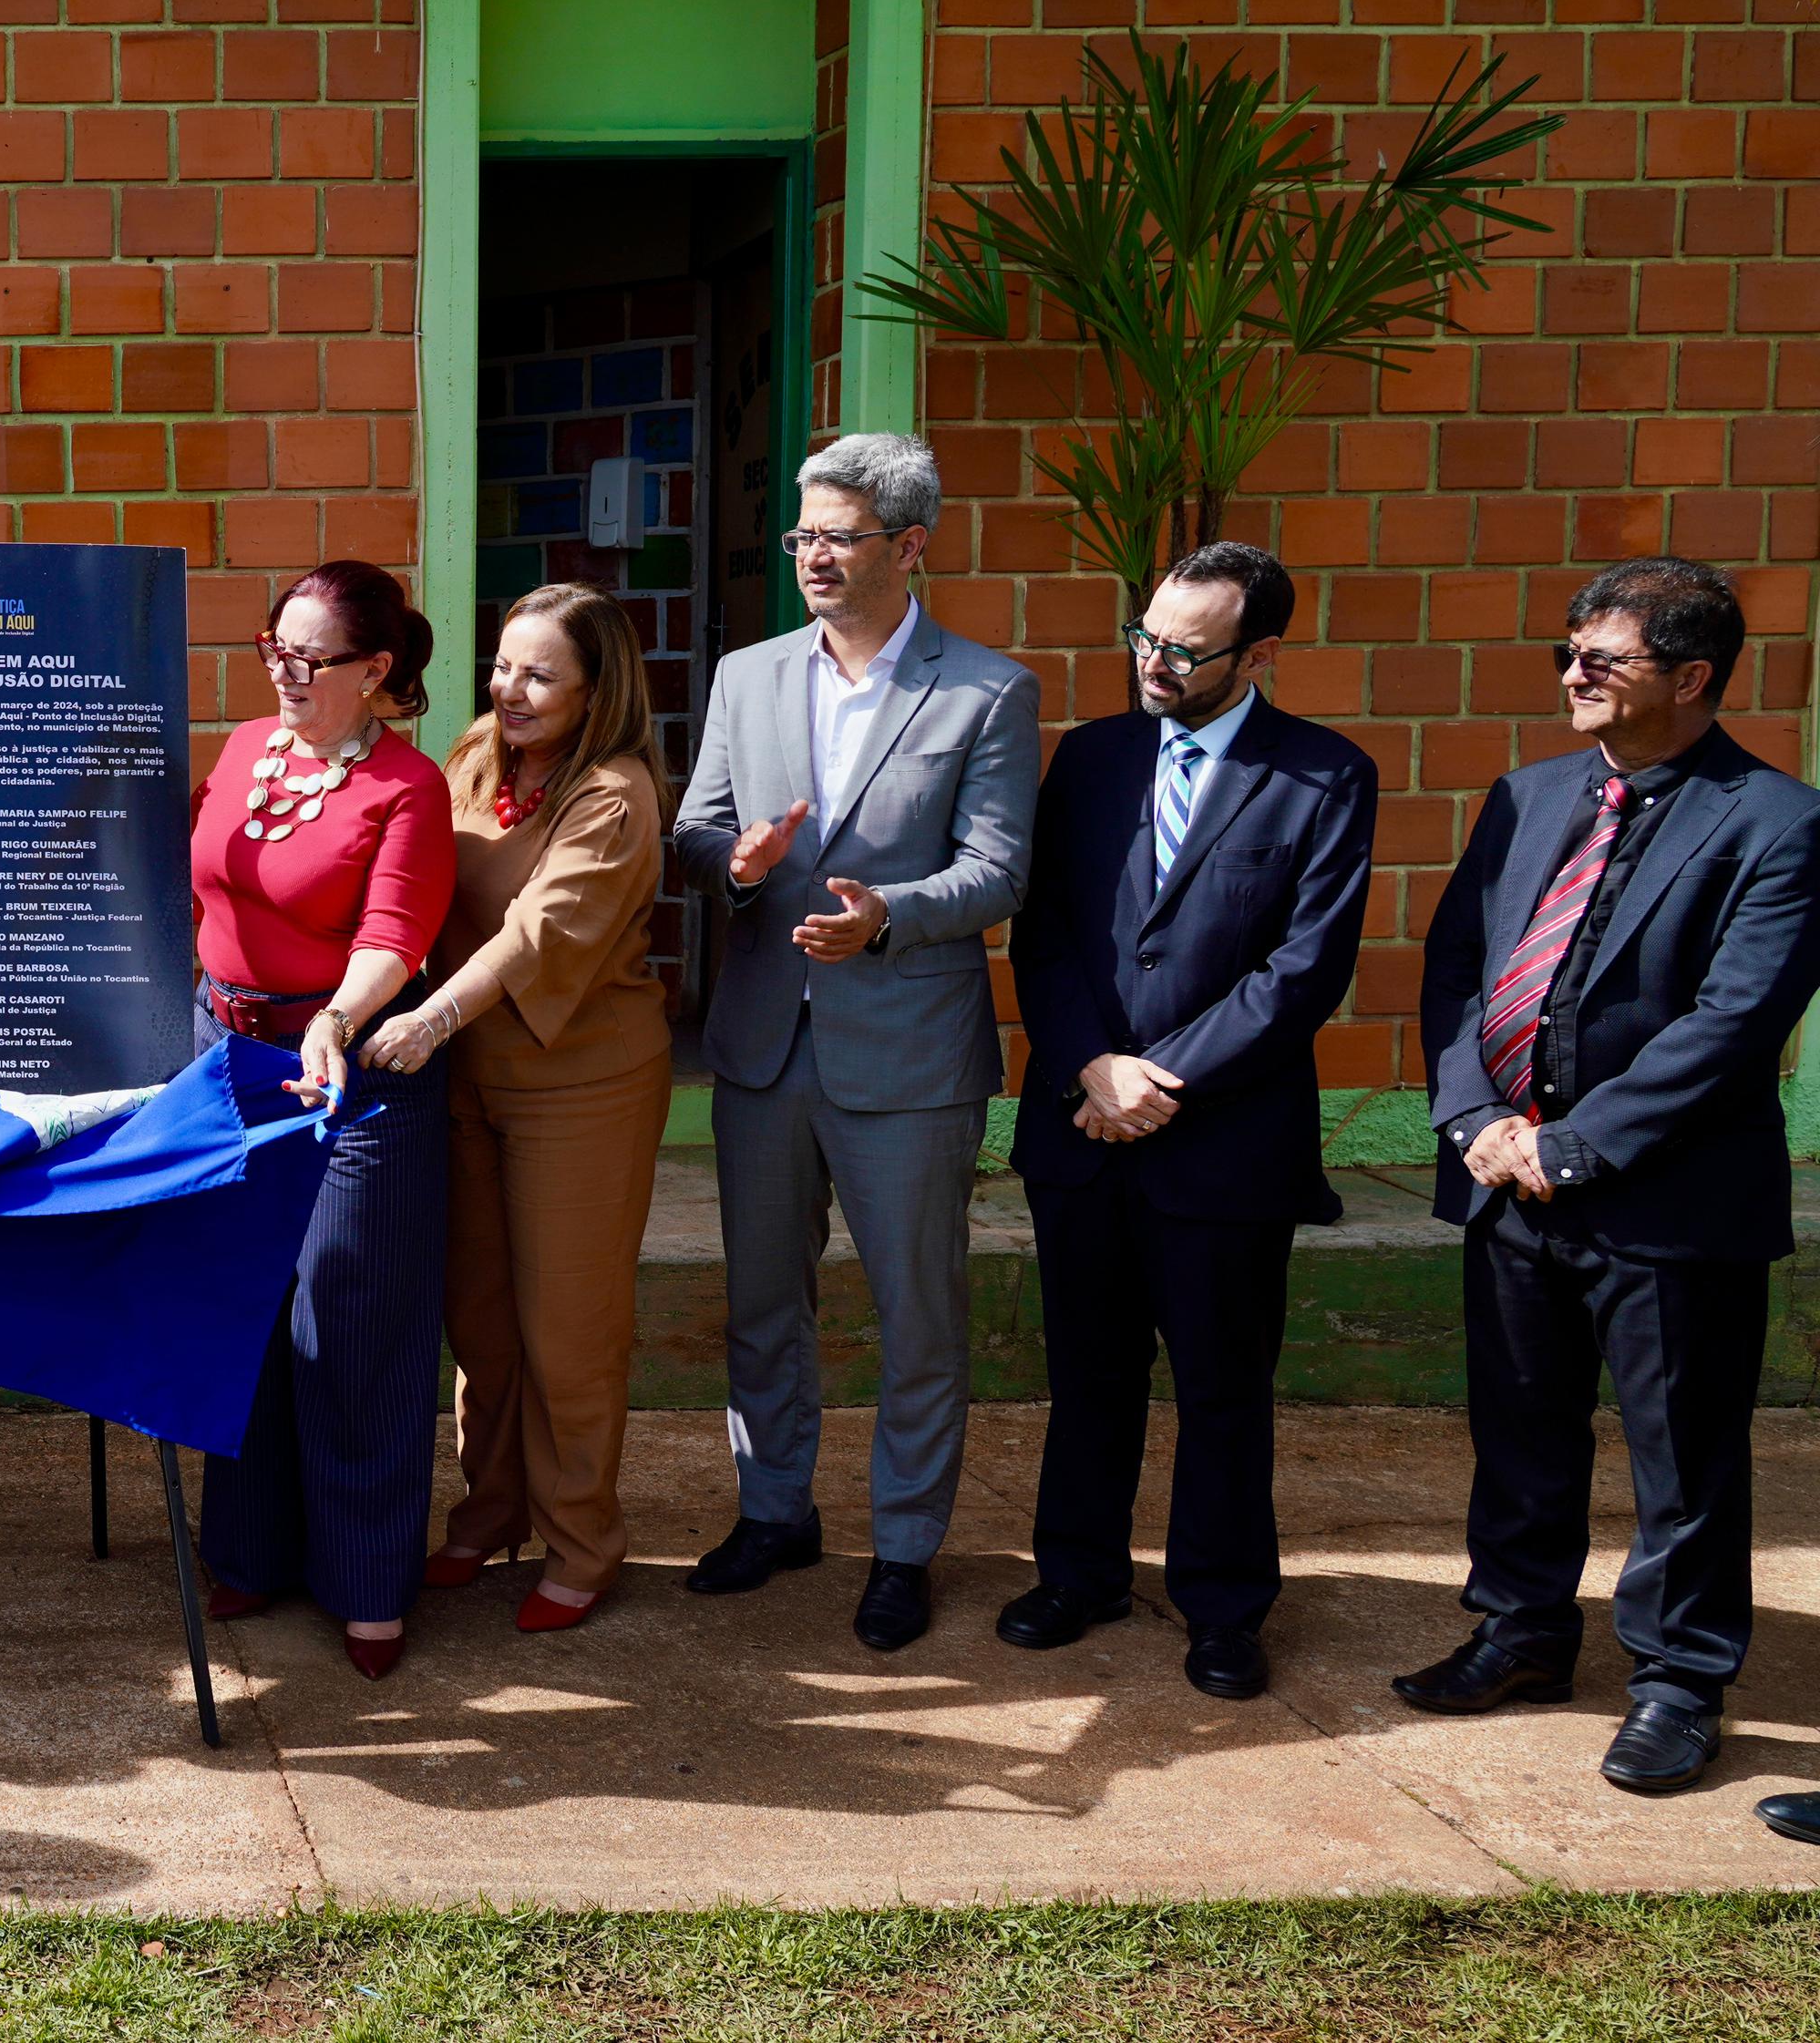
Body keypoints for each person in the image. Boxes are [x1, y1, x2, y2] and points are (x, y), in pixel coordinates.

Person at [1404, 557, 1820, 1797]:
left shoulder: (1778, 822)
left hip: (1668, 1198)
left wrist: (1573, 1145)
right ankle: (1524, 1632)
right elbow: (1461, 971)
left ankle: (1681, 1683)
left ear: (1692, 679)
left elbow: (1734, 1021)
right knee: (1519, 1427)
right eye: (1569, 653)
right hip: (1505, 1181)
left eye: (1605, 659)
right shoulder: (1531, 796)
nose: (1573, 675)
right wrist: (1475, 1118)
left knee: (1682, 1455)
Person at [666, 433, 1037, 1652]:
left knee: (916, 1312)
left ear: (910, 546)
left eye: (838, 536)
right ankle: (775, 1513)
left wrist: (891, 917)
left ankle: (908, 1545)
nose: (813, 557)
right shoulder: (749, 674)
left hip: (912, 1053)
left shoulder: (985, 689)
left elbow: (996, 869)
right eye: (803, 535)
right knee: (765, 1303)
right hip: (767, 1042)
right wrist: (736, 864)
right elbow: (697, 830)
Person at [1000, 542, 1377, 1702]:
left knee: (1219, 1387)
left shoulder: (1324, 776)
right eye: (1144, 636)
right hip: (1078, 1123)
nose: (1152, 663)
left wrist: (1155, 1080)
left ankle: (1220, 1605)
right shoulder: (1093, 756)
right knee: (1087, 1373)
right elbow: (1045, 928)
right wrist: (1089, 1068)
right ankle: (1077, 1574)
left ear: (1258, 654)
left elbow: (1302, 972)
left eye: (1183, 648)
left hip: (1221, 1145)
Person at [362, 582, 670, 1637]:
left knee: (566, 1333)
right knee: (481, 1322)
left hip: (578, 1084)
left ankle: (581, 1541)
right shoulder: (474, 754)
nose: (511, 688)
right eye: (502, 665)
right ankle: (488, 1510)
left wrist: (428, 1021)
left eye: (541, 674)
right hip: (463, 1078)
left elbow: (533, 937)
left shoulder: (613, 795)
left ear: (595, 692)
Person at [186, 559, 454, 1680]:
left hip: (350, 1071)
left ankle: (364, 1578)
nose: (284, 673)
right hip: (228, 1060)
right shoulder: (247, 747)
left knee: (348, 1321)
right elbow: (197, 877)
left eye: (309, 657)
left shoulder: (407, 787)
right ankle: (248, 1549)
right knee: (241, 1311)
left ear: (375, 670)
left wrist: (336, 1021)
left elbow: (392, 933)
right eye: (272, 649)